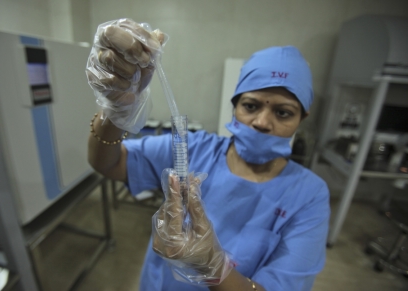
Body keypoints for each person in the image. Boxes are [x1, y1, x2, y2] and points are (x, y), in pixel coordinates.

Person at [86, 19, 330, 291]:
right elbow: (109, 163)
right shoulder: (195, 148)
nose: (262, 122)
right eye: (251, 105)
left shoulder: (309, 195)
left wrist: (212, 265)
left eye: (283, 112)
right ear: (235, 106)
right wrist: (115, 111)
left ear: (302, 117)